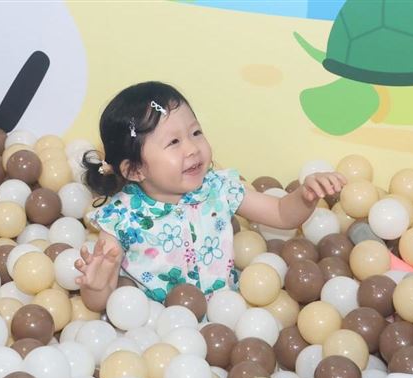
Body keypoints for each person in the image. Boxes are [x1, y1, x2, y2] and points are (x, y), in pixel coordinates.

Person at [77, 81, 346, 311]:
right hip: (157, 330)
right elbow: (100, 303)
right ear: (134, 169)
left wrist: (306, 196)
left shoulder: (218, 188)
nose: (192, 148)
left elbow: (281, 214)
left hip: (228, 315)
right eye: (174, 142)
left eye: (195, 133)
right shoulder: (122, 219)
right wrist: (96, 287)